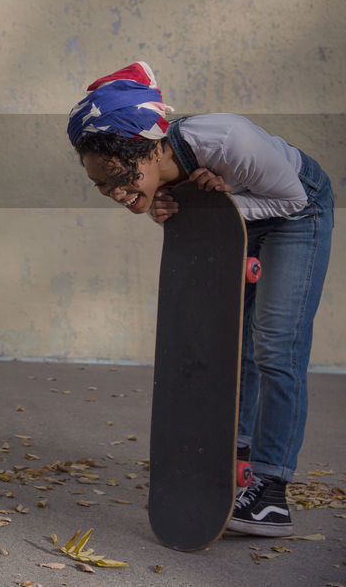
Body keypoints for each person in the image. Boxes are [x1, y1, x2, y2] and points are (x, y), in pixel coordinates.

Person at [67, 63, 334, 537]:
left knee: (275, 345)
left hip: (298, 211)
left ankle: (271, 491)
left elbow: (290, 200)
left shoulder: (227, 140)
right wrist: (172, 205)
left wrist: (208, 207)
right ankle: (237, 453)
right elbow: (176, 201)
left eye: (118, 176)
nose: (114, 193)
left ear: (147, 150)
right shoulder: (158, 167)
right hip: (246, 211)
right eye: (101, 185)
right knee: (234, 340)